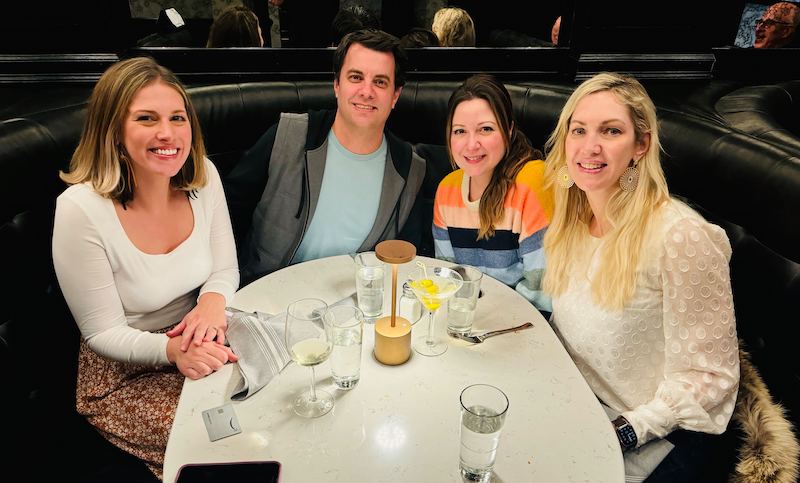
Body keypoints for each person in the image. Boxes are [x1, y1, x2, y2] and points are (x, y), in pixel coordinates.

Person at [542, 72, 740, 481]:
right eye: (578, 130)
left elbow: (713, 377)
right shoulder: (572, 222)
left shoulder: (680, 235)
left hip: (658, 438)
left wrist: (626, 432)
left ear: (641, 144)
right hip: (577, 407)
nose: (589, 147)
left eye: (611, 131)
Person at [52, 57, 239, 478]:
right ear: (114, 132)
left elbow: (224, 269)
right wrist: (172, 351)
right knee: (227, 436)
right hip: (126, 371)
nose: (167, 133)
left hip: (201, 332)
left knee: (283, 399)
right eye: (146, 119)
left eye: (178, 117)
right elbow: (102, 332)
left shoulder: (203, 175)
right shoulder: (79, 210)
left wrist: (211, 305)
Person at [226, 29, 426, 284]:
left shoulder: (410, 168)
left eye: (380, 82)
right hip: (267, 299)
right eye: (356, 77)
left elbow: (406, 259)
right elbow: (225, 216)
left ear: (395, 95)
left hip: (354, 310)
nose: (367, 91)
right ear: (336, 85)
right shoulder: (288, 136)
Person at [433, 74, 553, 313]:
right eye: (460, 131)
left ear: (508, 130)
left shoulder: (531, 182)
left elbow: (541, 292)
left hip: (522, 324)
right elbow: (447, 277)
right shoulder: (447, 189)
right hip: (466, 320)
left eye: (485, 129)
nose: (471, 144)